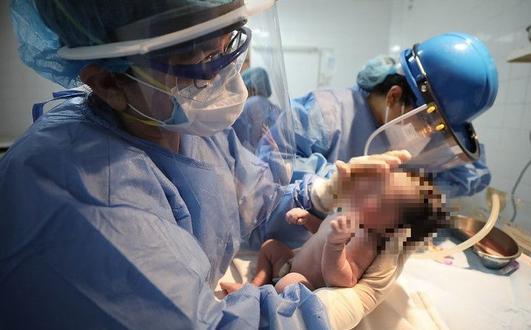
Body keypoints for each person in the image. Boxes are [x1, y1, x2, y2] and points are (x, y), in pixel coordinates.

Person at [0, 0, 412, 329]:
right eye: (198, 62)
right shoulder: (78, 191)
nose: (228, 76)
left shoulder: (184, 121)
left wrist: (319, 195)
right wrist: (334, 309)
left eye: (228, 44)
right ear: (108, 82)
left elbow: (251, 205)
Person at [290, 51, 495, 198]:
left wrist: (412, 189)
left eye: (438, 128)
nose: (428, 134)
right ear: (393, 96)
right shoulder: (325, 113)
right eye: (426, 120)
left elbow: (473, 174)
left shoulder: (429, 132)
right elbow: (279, 167)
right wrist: (334, 185)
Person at [220, 168, 446, 295]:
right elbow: (322, 233)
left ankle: (255, 298)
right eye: (377, 188)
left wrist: (336, 245)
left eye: (382, 202)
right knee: (270, 246)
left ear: (394, 229)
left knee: (288, 283)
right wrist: (308, 220)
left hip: (304, 281)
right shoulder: (350, 213)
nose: (369, 194)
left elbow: (343, 279)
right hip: (291, 261)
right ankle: (256, 285)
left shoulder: (366, 241)